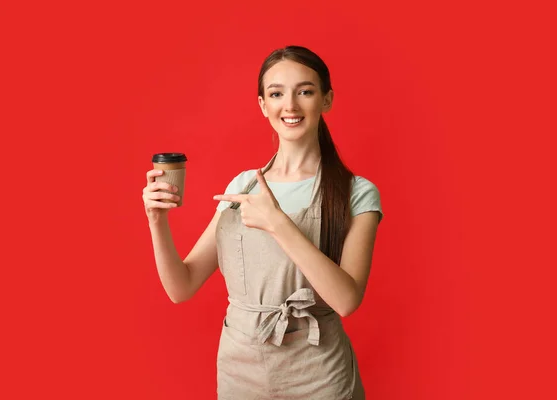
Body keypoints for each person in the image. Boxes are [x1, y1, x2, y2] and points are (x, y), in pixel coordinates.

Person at [142, 45, 383, 399]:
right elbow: (182, 287)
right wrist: (156, 220)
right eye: (276, 93)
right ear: (262, 105)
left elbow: (347, 300)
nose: (290, 105)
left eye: (305, 91)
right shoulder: (242, 186)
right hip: (241, 370)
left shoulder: (357, 193)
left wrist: (278, 223)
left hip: (319, 373)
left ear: (326, 100)